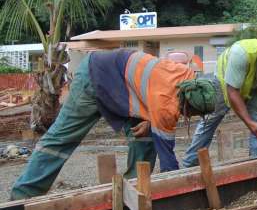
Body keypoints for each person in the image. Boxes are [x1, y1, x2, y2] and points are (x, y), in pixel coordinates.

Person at [10, 49, 217, 200]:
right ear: (186, 101)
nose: (187, 117)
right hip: (94, 76)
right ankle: (22, 197)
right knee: (62, 139)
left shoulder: (187, 76)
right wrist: (177, 190)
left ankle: (134, 194)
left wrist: (149, 119)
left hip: (122, 85)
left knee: (144, 139)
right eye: (190, 112)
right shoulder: (165, 106)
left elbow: (151, 91)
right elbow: (168, 159)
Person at [182, 37, 257, 167]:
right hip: (226, 81)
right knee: (210, 120)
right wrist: (249, 122)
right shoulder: (241, 54)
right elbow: (232, 91)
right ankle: (190, 164)